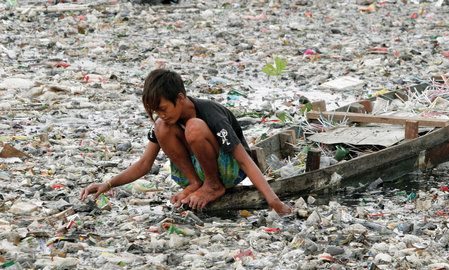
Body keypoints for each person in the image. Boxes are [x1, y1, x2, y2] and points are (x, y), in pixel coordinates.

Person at [79, 69, 291, 215]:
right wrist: (107, 184)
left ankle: (213, 186)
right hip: (198, 173)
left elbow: (244, 159)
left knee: (194, 127)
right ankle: (195, 183)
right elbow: (145, 164)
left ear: (180, 98)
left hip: (229, 171)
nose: (160, 114)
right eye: (156, 111)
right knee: (161, 128)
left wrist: (273, 201)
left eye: (163, 108)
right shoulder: (165, 122)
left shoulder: (210, 114)